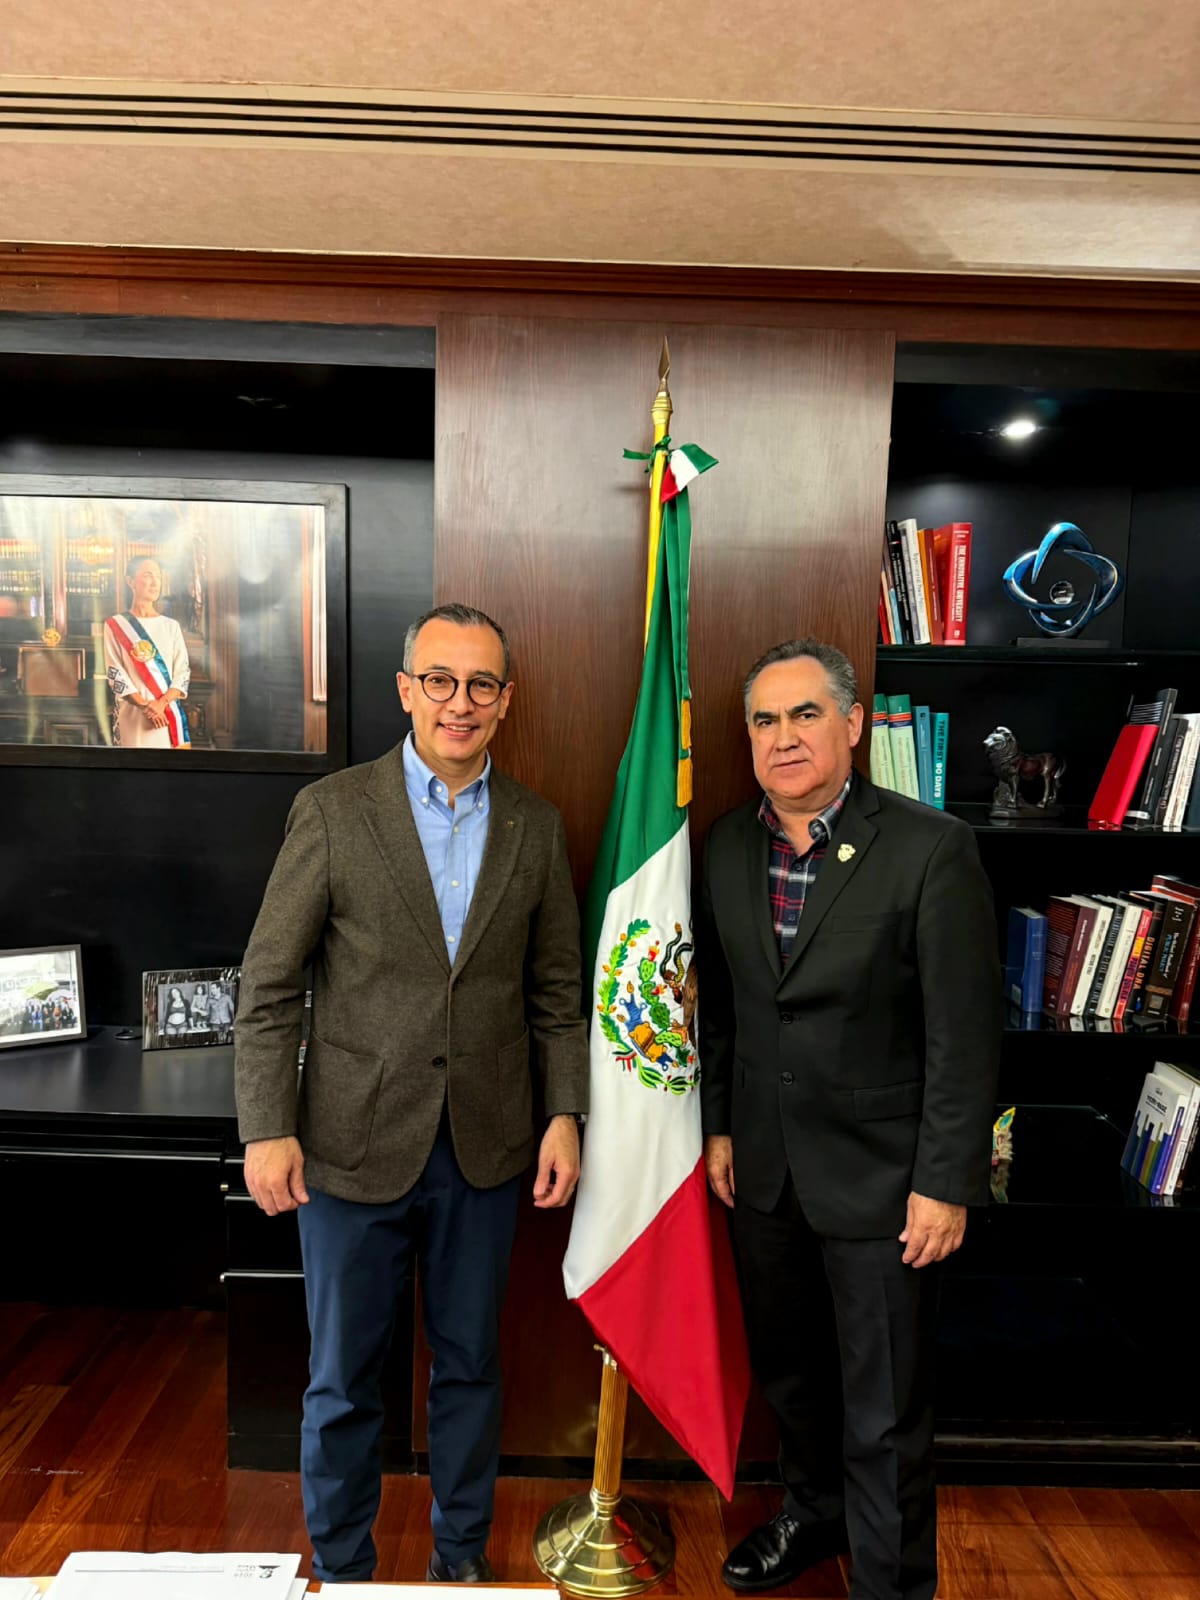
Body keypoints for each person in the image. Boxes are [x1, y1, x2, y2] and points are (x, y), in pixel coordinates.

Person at [235, 602, 589, 1586]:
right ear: (406, 689)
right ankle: (343, 1568)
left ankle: (460, 1561)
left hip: (487, 1146)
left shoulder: (535, 826)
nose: (458, 702)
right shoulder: (333, 810)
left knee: (471, 1366)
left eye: (480, 684)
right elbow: (270, 982)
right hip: (348, 1146)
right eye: (439, 679)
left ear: (506, 699)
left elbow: (557, 990)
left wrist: (564, 1113)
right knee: (344, 1377)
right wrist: (266, 1127)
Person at [698, 638, 1000, 1600]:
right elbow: (720, 1006)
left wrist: (945, 1183)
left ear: (854, 723)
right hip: (765, 1171)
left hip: (884, 1182)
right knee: (791, 1379)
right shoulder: (725, 846)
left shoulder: (930, 848)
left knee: (884, 1410)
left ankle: (891, 1584)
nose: (783, 737)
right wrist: (719, 1126)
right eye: (764, 719)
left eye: (806, 714)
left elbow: (964, 1035)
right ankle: (813, 1514)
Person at [103, 557, 191, 749]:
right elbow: (116, 673)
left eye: (158, 576)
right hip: (133, 715)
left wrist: (161, 704)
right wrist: (144, 705)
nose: (155, 582)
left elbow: (182, 673)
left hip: (166, 714)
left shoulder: (171, 626)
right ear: (130, 581)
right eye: (148, 575)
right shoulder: (115, 625)